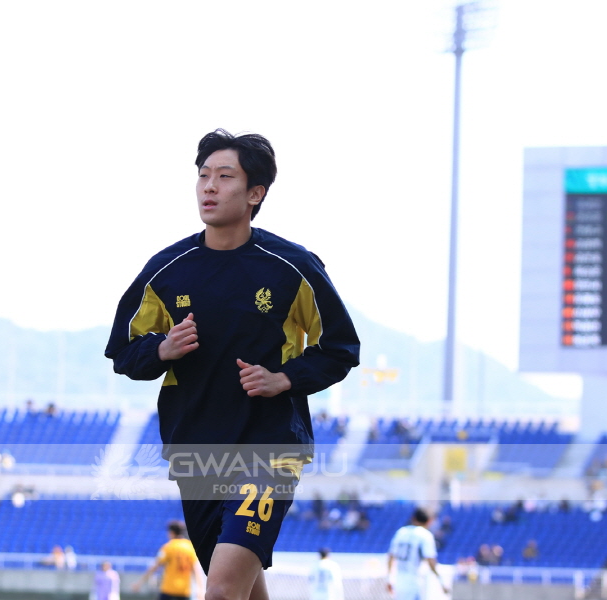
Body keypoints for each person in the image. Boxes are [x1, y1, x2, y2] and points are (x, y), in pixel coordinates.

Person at [105, 129, 360, 600]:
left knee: (221, 591)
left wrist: (284, 378)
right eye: (203, 175)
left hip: (270, 451)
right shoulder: (166, 269)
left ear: (255, 193)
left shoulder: (293, 267)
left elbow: (341, 348)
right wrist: (161, 350)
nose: (209, 186)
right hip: (196, 453)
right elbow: (122, 349)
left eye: (225, 177)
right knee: (241, 592)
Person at [387, 508, 449, 600]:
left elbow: (391, 556)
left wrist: (389, 578)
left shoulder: (401, 532)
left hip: (399, 580)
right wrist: (441, 581)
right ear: (429, 521)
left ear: (413, 518)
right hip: (414, 581)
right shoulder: (425, 535)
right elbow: (431, 561)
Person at [132, 521, 203, 600]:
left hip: (168, 589)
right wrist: (200, 589)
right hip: (184, 591)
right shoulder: (190, 547)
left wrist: (140, 582)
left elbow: (155, 566)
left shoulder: (168, 547)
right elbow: (196, 570)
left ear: (171, 532)